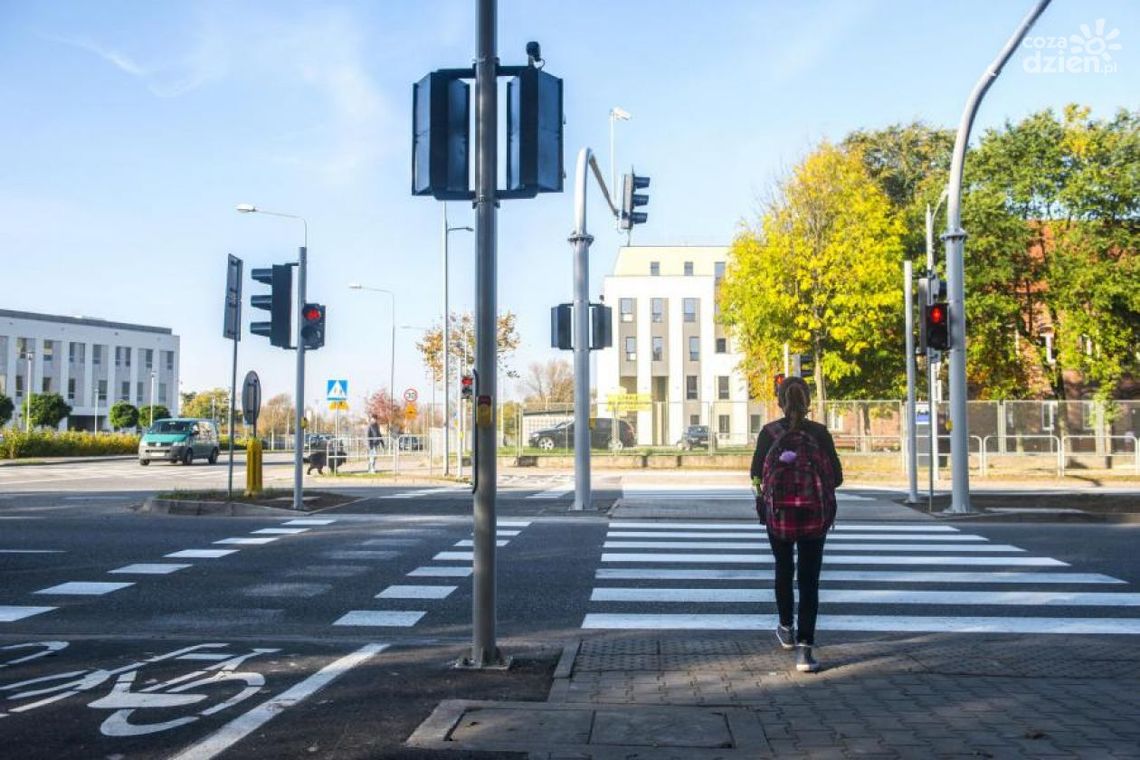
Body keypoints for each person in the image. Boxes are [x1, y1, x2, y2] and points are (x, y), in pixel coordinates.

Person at [750, 376, 842, 673]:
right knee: (809, 580)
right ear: (808, 401)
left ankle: (786, 628)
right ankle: (805, 650)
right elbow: (837, 477)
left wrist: (763, 497)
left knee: (783, 569)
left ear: (779, 401)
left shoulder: (768, 433)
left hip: (779, 517)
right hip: (814, 516)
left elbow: (755, 475)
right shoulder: (819, 433)